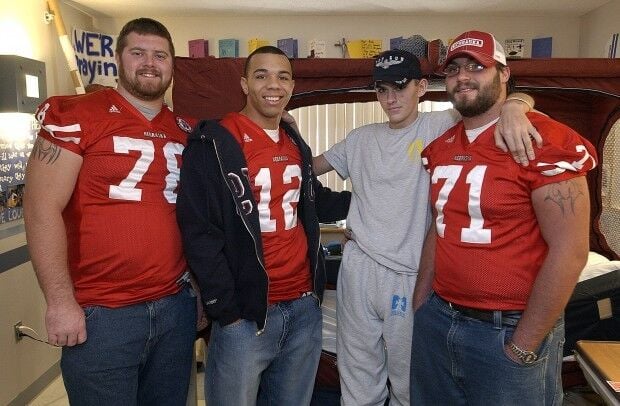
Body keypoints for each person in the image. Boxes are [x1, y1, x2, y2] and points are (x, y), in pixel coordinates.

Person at [311, 48, 539, 406]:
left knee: (408, 377)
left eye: (399, 88)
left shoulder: (441, 125)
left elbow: (494, 102)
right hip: (358, 267)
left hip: (408, 272)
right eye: (382, 90)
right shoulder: (360, 138)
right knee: (356, 372)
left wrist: (516, 106)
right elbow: (307, 168)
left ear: (421, 87)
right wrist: (284, 136)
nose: (390, 98)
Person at [410, 30, 597, 405]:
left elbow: (570, 250)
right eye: (454, 69)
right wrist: (421, 303)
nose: (463, 76)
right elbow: (440, 226)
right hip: (439, 318)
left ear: (503, 73)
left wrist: (525, 344)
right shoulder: (442, 147)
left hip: (507, 328)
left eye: (476, 67)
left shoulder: (543, 140)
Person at [24, 18, 198, 405]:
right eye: (138, 53)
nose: (149, 63)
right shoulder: (78, 114)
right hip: (102, 312)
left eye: (160, 55)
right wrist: (59, 301)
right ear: (118, 58)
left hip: (173, 304)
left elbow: (196, 219)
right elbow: (40, 209)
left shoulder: (185, 130)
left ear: (173, 65)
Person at [176, 46, 351, 406]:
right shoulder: (215, 141)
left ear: (292, 85)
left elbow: (314, 200)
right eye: (261, 75)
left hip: (303, 307)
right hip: (247, 312)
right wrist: (226, 308)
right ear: (244, 84)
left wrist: (380, 198)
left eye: (283, 76)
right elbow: (199, 231)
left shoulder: (293, 143)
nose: (273, 84)